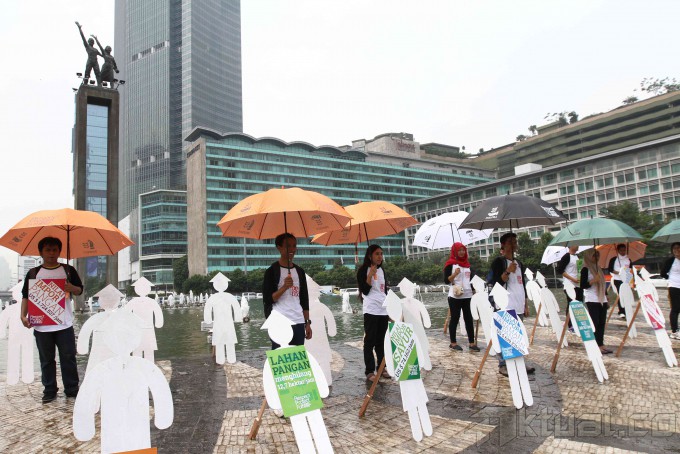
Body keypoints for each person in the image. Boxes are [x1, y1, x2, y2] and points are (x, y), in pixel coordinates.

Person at [20, 237, 83, 403]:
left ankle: (72, 389)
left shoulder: (68, 271)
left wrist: (71, 287)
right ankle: (49, 390)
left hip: (64, 325)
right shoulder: (33, 273)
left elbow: (79, 290)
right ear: (41, 252)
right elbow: (26, 296)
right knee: (46, 360)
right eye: (47, 250)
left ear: (59, 251)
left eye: (55, 250)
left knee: (68, 358)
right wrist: (23, 315)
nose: (51, 253)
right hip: (42, 326)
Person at [489, 232, 534, 376]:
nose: (514, 244)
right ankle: (503, 364)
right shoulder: (499, 262)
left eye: (515, 241)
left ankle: (519, 362)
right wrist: (508, 271)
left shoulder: (519, 263)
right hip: (506, 304)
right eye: (510, 242)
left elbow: (522, 285)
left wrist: (526, 304)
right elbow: (496, 283)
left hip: (518, 304)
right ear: (503, 245)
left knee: (518, 336)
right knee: (504, 337)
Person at [262, 233, 311, 349]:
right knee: (281, 357)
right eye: (288, 246)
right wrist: (284, 287)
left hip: (298, 321)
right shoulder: (272, 271)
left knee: (297, 358)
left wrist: (307, 323)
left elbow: (304, 299)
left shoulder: (299, 271)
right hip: (279, 322)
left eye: (294, 245)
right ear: (279, 247)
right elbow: (268, 299)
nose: (292, 249)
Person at [357, 244, 389, 382]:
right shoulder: (363, 270)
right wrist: (370, 275)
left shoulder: (381, 270)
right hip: (371, 310)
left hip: (383, 310)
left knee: (381, 341)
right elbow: (365, 290)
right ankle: (369, 371)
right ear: (370, 256)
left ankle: (381, 368)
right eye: (377, 254)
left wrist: (389, 309)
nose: (380, 256)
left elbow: (384, 291)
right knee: (369, 341)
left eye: (381, 254)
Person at [443, 243, 479, 352]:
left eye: (463, 250)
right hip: (455, 296)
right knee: (455, 318)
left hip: (467, 295)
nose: (462, 252)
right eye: (459, 250)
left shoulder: (467, 265)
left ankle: (471, 343)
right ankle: (453, 343)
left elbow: (470, 280)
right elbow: (446, 280)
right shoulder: (450, 264)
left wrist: (474, 291)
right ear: (455, 251)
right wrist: (455, 274)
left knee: (468, 318)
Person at [581, 248, 611, 354]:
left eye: (598, 255)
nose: (596, 257)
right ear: (589, 256)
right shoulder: (585, 269)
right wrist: (593, 280)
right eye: (594, 255)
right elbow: (583, 285)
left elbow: (603, 283)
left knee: (602, 322)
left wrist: (606, 295)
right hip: (592, 298)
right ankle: (594, 344)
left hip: (601, 298)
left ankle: (601, 344)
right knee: (595, 322)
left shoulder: (598, 268)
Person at [556, 245, 581, 331]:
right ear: (571, 246)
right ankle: (570, 324)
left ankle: (578, 323)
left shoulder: (577, 256)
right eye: (576, 244)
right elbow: (560, 270)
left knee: (579, 303)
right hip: (569, 284)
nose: (578, 246)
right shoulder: (566, 256)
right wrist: (572, 279)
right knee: (571, 303)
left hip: (578, 284)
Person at [660, 242, 680, 340]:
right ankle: (674, 331)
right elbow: (663, 273)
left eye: (678, 248)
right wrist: (670, 278)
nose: (677, 250)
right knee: (675, 308)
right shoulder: (670, 261)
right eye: (674, 248)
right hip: (674, 286)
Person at [608, 244, 631, 318]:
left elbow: (630, 270)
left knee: (627, 295)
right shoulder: (614, 259)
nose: (623, 252)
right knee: (620, 295)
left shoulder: (628, 260)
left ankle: (627, 310)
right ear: (618, 250)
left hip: (626, 280)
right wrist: (619, 273)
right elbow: (610, 269)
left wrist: (627, 275)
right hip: (617, 279)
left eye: (624, 250)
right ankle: (621, 311)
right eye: (621, 250)